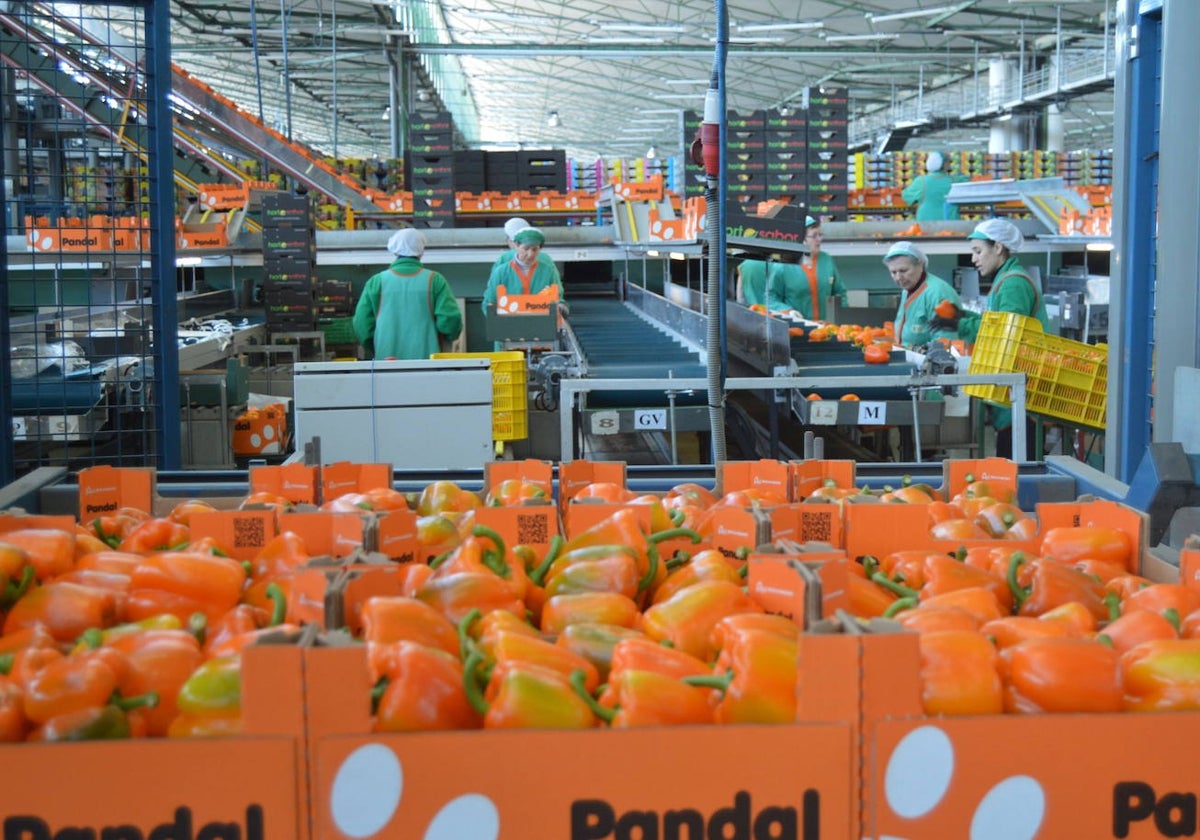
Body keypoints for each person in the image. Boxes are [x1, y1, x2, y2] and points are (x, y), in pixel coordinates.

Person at [930, 218, 1049, 459]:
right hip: (1014, 388)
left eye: (978, 251)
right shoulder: (1005, 280)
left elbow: (1006, 335)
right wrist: (962, 315)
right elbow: (995, 322)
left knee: (1019, 468)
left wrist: (960, 324)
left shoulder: (1013, 283)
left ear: (998, 248)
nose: (973, 259)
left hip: (1024, 390)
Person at [352, 228, 462, 360]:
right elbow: (451, 321)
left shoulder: (376, 282)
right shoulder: (435, 281)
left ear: (395, 251)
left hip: (387, 363)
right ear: (421, 252)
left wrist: (378, 346)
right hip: (429, 365)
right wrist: (446, 340)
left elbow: (362, 325)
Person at [883, 240, 961, 348]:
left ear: (920, 264)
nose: (898, 278)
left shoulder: (938, 293)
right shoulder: (908, 289)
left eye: (904, 270)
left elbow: (946, 341)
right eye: (893, 272)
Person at [766, 216, 846, 320]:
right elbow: (771, 298)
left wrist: (842, 317)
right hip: (798, 328)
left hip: (826, 328)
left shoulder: (826, 260)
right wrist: (789, 311)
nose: (819, 239)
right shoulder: (783, 265)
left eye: (820, 235)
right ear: (801, 239)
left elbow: (840, 293)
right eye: (814, 236)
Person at [482, 226, 564, 313]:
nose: (530, 254)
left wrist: (561, 307)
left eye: (534, 249)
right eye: (526, 249)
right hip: (509, 323)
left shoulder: (548, 272)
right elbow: (489, 302)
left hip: (541, 323)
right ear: (516, 245)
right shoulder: (501, 272)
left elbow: (558, 298)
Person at [901, 151, 965, 222]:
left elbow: (906, 197)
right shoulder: (955, 180)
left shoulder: (921, 181)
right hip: (950, 221)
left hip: (926, 222)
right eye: (948, 161)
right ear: (944, 164)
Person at [493, 217, 559, 279]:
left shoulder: (504, 258)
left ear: (512, 241)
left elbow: (494, 286)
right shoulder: (545, 258)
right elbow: (557, 287)